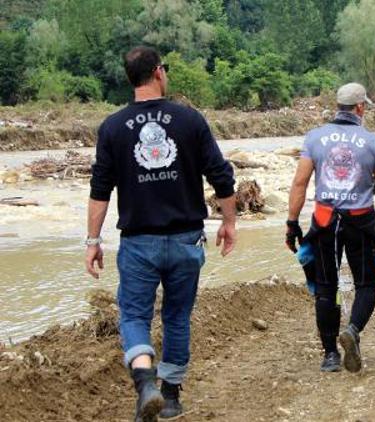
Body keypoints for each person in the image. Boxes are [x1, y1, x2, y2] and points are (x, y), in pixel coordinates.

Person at [85, 46, 237, 421]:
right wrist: (229, 222)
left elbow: (100, 190)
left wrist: (92, 241)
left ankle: (144, 383)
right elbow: (221, 176)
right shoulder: (189, 120)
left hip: (138, 242)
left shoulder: (113, 127)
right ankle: (169, 396)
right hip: (186, 239)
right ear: (157, 73)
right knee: (177, 316)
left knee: (134, 315)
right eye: (164, 68)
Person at [286, 83, 375, 373]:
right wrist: (372, 184)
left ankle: (330, 356)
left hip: (325, 221)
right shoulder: (371, 141)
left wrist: (291, 223)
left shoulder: (315, 138)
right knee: (364, 284)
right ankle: (352, 329)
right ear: (360, 107)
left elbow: (300, 183)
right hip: (360, 221)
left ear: (338, 106)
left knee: (326, 288)